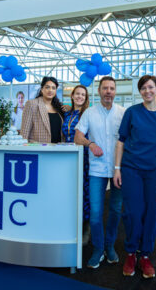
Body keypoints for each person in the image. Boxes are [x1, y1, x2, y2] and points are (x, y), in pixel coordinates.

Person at [114, 75, 156, 279]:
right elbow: (121, 141)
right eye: (143, 88)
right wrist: (117, 168)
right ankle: (131, 252)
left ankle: (145, 255)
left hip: (155, 171)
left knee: (152, 213)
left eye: (151, 87)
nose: (147, 91)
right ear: (140, 91)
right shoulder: (132, 112)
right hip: (132, 169)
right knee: (133, 212)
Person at [75, 77, 126, 268]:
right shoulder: (89, 112)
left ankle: (109, 245)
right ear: (99, 91)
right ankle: (98, 248)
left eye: (112, 88)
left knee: (115, 210)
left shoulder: (123, 113)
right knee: (96, 213)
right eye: (105, 88)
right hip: (96, 169)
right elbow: (77, 137)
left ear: (115, 91)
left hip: (118, 169)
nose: (108, 91)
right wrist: (90, 143)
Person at [63, 85, 91, 249]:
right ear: (72, 96)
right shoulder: (67, 114)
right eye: (77, 94)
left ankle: (85, 229)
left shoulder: (87, 114)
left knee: (84, 193)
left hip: (83, 158)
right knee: (70, 192)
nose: (80, 97)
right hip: (67, 159)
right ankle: (70, 226)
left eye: (83, 95)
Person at [21, 77, 66, 143]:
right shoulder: (32, 104)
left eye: (53, 88)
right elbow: (24, 132)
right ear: (42, 89)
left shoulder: (59, 107)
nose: (50, 90)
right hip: (39, 148)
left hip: (58, 148)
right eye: (47, 87)